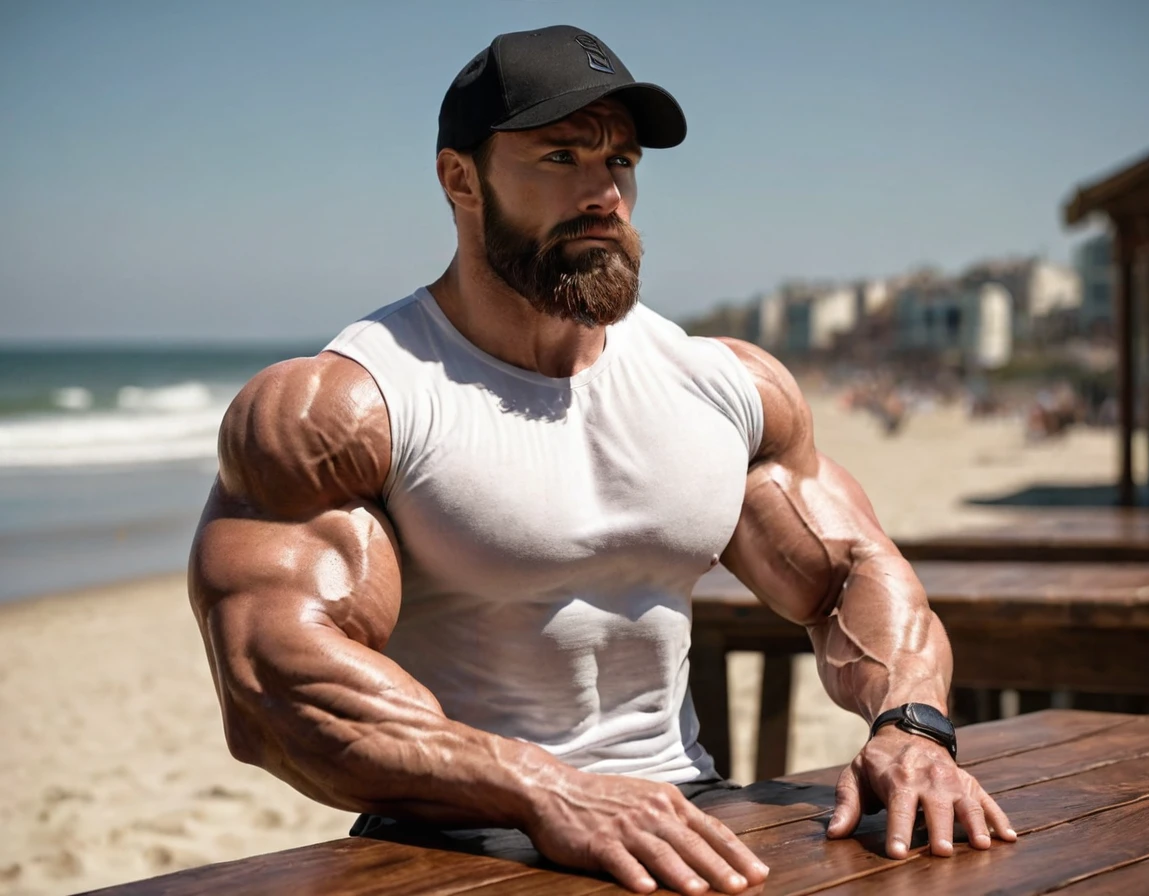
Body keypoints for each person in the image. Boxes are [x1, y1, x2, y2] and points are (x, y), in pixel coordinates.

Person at [188, 25, 1015, 896]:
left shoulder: (720, 383)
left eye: (620, 162)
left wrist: (913, 726)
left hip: (684, 816)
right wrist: (548, 790)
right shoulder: (351, 404)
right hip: (454, 841)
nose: (605, 194)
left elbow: (849, 572)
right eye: (561, 157)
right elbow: (272, 688)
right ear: (458, 178)